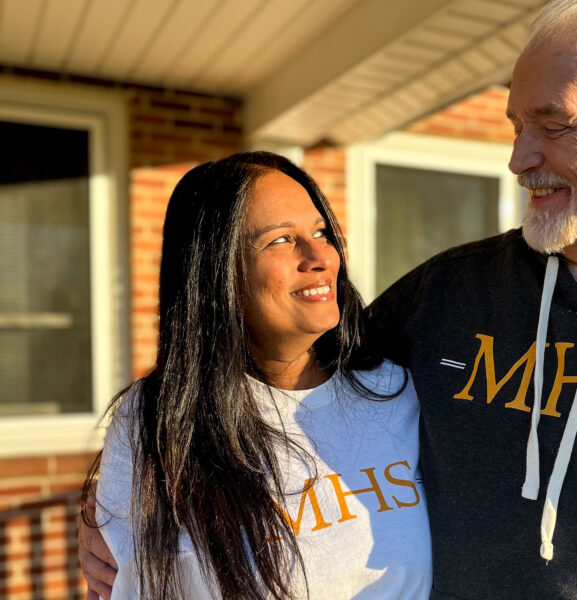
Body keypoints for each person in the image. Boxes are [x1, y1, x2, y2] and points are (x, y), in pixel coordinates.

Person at [82, 0, 577, 597]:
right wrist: (135, 483)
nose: (520, 159)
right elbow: (281, 365)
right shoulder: (452, 290)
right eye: (517, 126)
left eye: (554, 126)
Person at [79, 151, 432, 600]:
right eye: (281, 240)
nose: (320, 256)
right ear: (217, 272)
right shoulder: (155, 422)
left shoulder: (395, 389)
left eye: (321, 231)